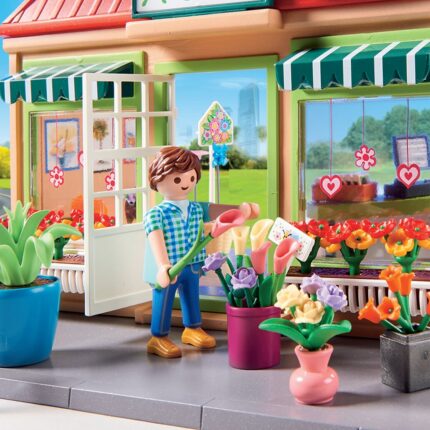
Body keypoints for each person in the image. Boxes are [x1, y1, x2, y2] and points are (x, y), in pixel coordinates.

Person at [144, 146, 258, 358]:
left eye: (191, 177)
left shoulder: (196, 208)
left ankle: (192, 328)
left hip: (193, 264)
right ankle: (158, 337)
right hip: (170, 267)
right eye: (177, 179)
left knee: (191, 295)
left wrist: (241, 210)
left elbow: (218, 211)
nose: (186, 183)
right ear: (157, 179)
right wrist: (162, 266)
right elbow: (155, 238)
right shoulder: (156, 214)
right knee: (163, 299)